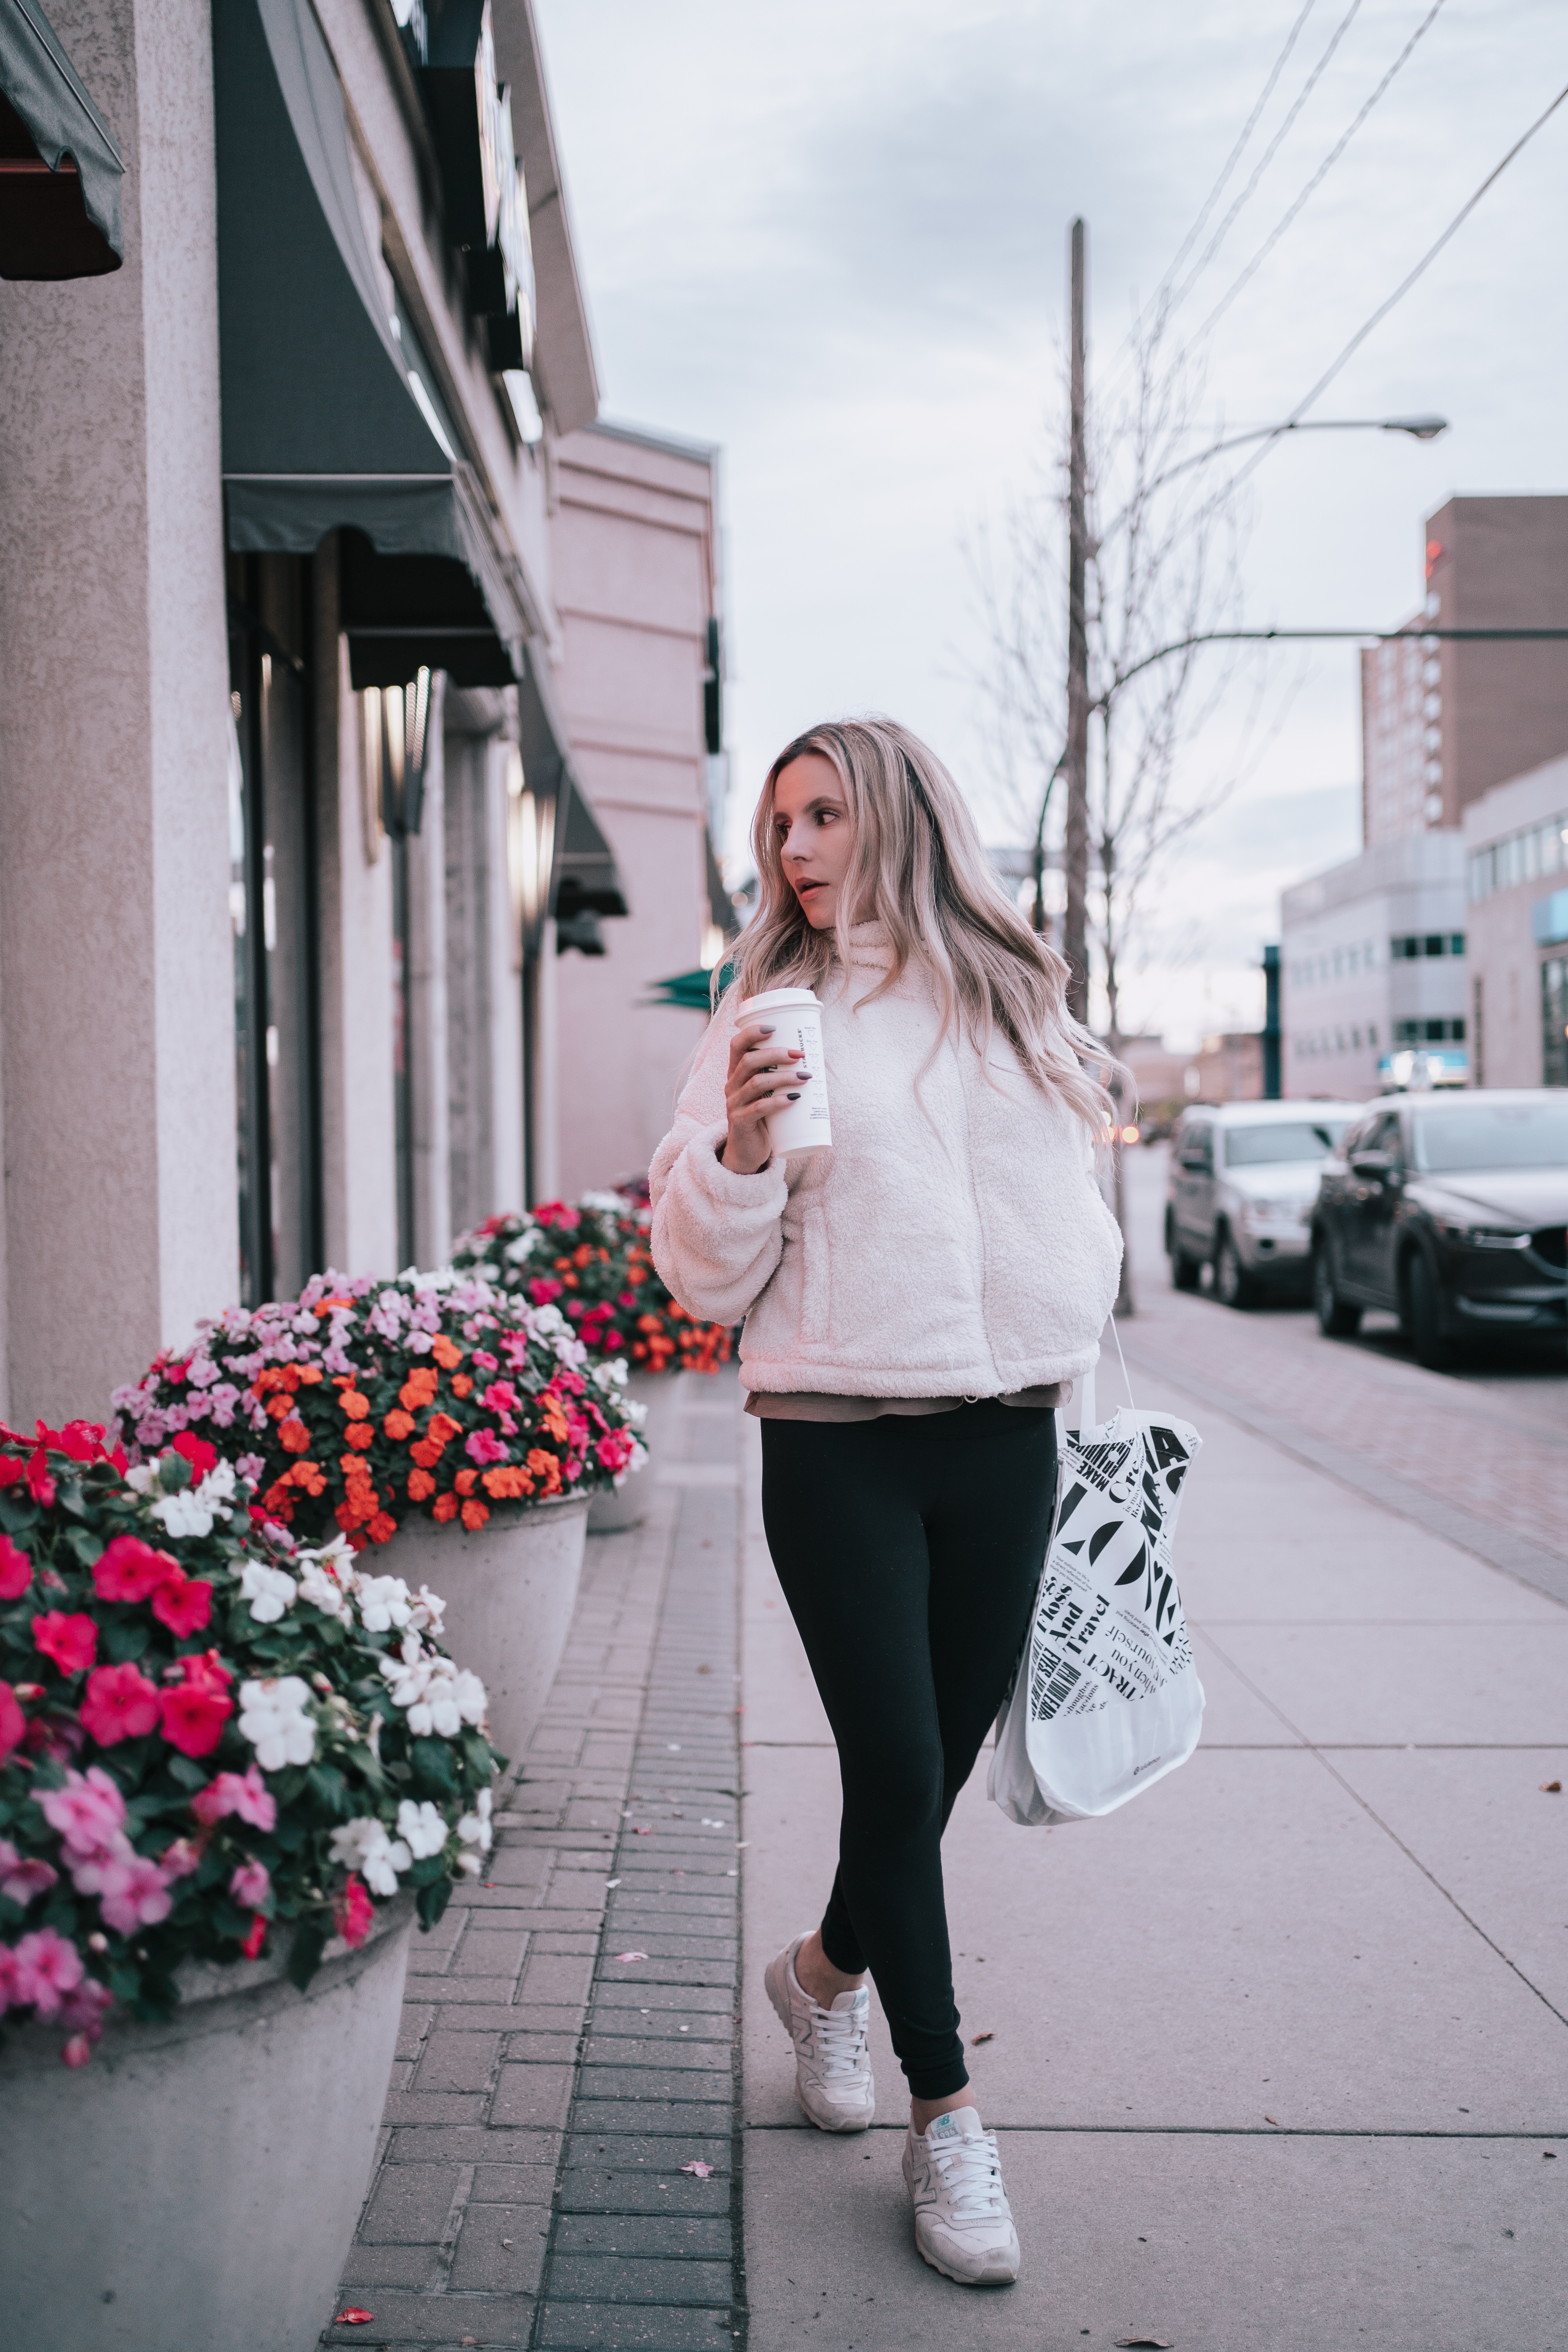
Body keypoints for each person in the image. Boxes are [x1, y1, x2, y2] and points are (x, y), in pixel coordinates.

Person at [649, 718, 1122, 2287]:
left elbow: (1072, 1222)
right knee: (895, 1755)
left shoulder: (1013, 999)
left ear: (898, 818)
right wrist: (733, 1148)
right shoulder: (767, 1011)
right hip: (837, 1429)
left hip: (1002, 1434)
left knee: (918, 1786)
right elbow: (701, 1273)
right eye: (777, 821)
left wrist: (1077, 1391)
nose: (792, 849)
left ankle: (821, 1974)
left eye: (822, 815)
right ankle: (950, 2113)